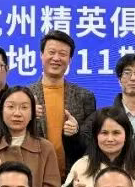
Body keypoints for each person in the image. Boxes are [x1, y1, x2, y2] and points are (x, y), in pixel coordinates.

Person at [28, 30, 97, 179]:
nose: (56, 58)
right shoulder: (25, 96)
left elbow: (91, 144)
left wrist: (76, 132)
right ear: (41, 55)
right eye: (51, 52)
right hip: (34, 176)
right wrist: (27, 117)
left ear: (70, 59)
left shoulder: (85, 97)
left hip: (73, 178)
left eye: (63, 54)